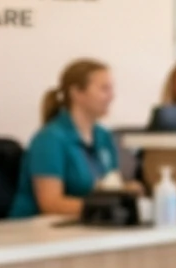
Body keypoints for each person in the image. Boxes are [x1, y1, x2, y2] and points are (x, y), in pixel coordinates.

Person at [11, 58, 121, 219]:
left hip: (84, 226)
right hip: (35, 231)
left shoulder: (103, 137)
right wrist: (103, 208)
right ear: (76, 92)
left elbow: (109, 184)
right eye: (104, 89)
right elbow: (50, 203)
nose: (111, 96)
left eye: (111, 89)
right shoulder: (49, 139)